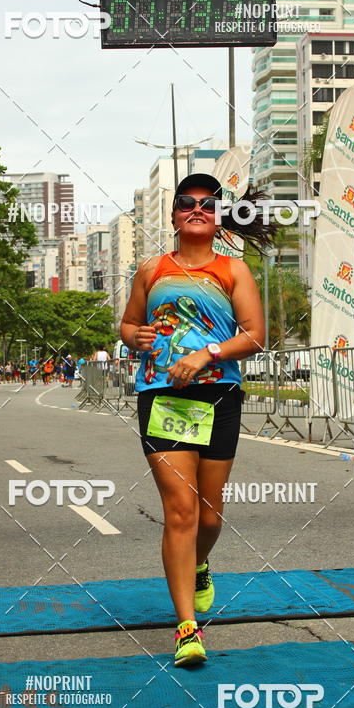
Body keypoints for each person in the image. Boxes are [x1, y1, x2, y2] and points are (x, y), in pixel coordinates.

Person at [120, 173, 269, 667]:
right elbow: (128, 323)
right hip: (163, 396)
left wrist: (207, 354)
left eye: (208, 203)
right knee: (180, 512)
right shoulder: (151, 270)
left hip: (218, 396)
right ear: (175, 213)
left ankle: (201, 564)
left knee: (209, 514)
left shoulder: (233, 272)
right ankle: (188, 627)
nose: (198, 209)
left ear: (220, 214)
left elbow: (253, 336)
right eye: (187, 202)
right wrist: (133, 337)